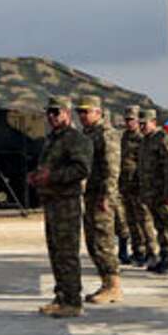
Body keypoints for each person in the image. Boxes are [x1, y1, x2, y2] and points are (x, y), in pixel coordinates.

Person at [27, 96, 92, 318]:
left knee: (67, 253)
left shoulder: (76, 139)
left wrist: (52, 177)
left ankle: (73, 301)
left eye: (56, 112)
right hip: (52, 202)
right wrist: (37, 176)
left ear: (67, 112)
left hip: (66, 203)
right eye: (49, 113)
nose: (52, 117)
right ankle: (62, 295)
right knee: (55, 252)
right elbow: (47, 167)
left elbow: (81, 169)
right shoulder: (52, 139)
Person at [76, 97, 123, 305]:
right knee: (92, 241)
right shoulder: (88, 134)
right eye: (80, 112)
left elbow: (112, 169)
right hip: (91, 194)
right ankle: (106, 282)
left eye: (86, 112)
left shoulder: (106, 135)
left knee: (103, 240)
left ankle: (114, 286)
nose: (83, 116)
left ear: (98, 112)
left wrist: (107, 196)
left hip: (102, 196)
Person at [140, 111, 168, 273]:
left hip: (162, 192)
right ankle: (163, 255)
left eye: (145, 123)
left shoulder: (163, 138)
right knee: (159, 226)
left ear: (154, 122)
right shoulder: (145, 141)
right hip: (150, 193)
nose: (142, 127)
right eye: (140, 124)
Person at [118, 107, 146, 266]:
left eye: (132, 119)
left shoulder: (141, 139)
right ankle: (135, 251)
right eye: (127, 120)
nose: (129, 123)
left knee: (141, 219)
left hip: (138, 185)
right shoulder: (123, 137)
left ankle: (143, 250)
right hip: (124, 185)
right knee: (127, 219)